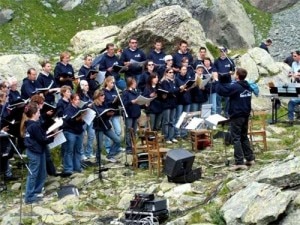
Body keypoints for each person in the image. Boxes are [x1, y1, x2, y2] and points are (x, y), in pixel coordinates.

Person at [213, 68, 255, 171]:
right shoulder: (247, 86)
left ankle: (239, 162)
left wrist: (217, 80)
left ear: (237, 76)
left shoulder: (236, 87)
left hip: (237, 116)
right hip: (245, 115)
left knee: (236, 138)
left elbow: (223, 91)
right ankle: (250, 158)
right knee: (244, 137)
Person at [23, 102, 54, 204]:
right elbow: (41, 139)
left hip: (38, 150)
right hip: (34, 151)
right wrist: (53, 137)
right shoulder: (33, 125)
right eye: (38, 112)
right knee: (33, 173)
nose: (40, 114)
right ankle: (29, 196)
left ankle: (36, 191)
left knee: (41, 171)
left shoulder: (34, 124)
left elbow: (41, 136)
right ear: (34, 114)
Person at [92, 89, 121, 163]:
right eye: (102, 95)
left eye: (104, 95)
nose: (103, 96)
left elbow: (106, 114)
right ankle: (98, 160)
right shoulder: (94, 105)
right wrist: (106, 114)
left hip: (106, 125)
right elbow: (95, 117)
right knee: (100, 145)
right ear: (97, 96)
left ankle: (110, 155)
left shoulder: (104, 104)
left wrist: (110, 114)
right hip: (99, 127)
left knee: (117, 140)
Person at [61, 93, 85, 175]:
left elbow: (82, 122)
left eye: (78, 99)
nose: (78, 101)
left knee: (78, 150)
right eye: (76, 99)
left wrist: (82, 119)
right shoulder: (68, 109)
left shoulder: (79, 109)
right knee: (69, 151)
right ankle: (68, 168)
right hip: (70, 132)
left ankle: (77, 167)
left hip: (79, 131)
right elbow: (68, 121)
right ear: (72, 100)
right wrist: (77, 119)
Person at [160, 68, 181, 144]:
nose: (172, 74)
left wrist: (178, 90)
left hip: (173, 103)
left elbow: (174, 91)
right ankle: (165, 137)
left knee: (172, 121)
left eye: (173, 72)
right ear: (166, 73)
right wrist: (178, 89)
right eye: (170, 72)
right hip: (166, 104)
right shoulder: (164, 82)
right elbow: (169, 91)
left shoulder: (173, 81)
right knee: (166, 121)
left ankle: (171, 136)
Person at [213, 47, 235, 117]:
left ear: (226, 52)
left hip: (228, 82)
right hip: (219, 83)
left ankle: (227, 113)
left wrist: (230, 73)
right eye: (221, 51)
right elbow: (214, 71)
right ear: (219, 52)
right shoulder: (216, 61)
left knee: (228, 99)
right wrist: (216, 77)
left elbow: (233, 71)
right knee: (218, 99)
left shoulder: (230, 60)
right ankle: (218, 115)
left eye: (224, 51)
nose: (222, 53)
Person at [103, 76, 122, 154]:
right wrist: (112, 102)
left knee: (118, 130)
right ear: (107, 82)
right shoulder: (103, 91)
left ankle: (115, 147)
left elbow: (119, 102)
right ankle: (108, 147)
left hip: (115, 112)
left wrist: (118, 99)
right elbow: (104, 102)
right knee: (108, 131)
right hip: (107, 114)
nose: (113, 84)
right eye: (112, 83)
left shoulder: (115, 91)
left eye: (114, 83)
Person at [122, 78, 141, 153]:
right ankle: (128, 147)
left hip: (136, 113)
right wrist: (131, 102)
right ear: (130, 83)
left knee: (134, 131)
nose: (135, 84)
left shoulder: (137, 91)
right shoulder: (126, 92)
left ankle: (134, 145)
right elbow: (124, 103)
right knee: (129, 130)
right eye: (133, 82)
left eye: (135, 82)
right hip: (129, 113)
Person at [77, 80, 95, 160]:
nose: (87, 86)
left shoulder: (88, 94)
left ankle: (89, 152)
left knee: (91, 135)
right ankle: (81, 153)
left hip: (90, 117)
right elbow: (79, 105)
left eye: (87, 85)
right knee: (82, 136)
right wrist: (87, 105)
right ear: (81, 86)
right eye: (85, 85)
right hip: (83, 118)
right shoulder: (79, 95)